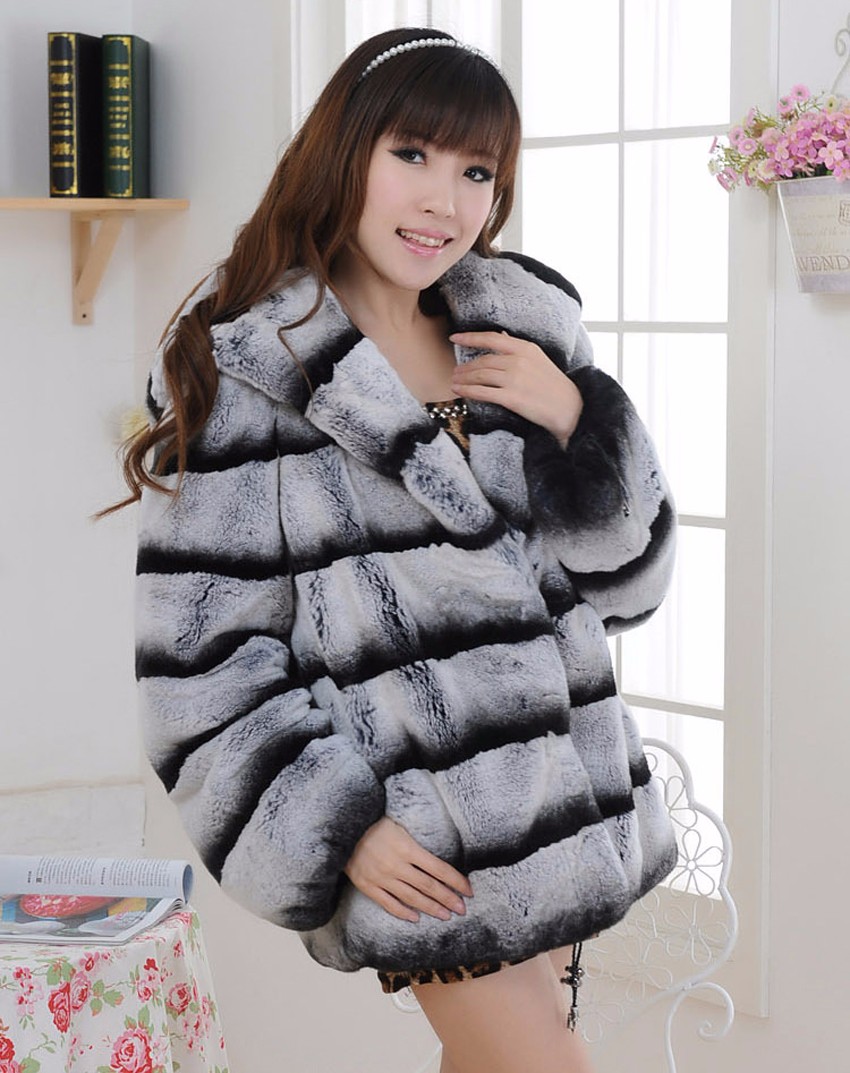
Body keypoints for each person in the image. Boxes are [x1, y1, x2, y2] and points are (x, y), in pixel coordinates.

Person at [122, 27, 678, 1073]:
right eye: (411, 154)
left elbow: (627, 589)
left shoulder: (523, 333)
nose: (444, 202)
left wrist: (577, 421)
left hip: (566, 804)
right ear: (346, 149)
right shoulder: (247, 370)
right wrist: (339, 824)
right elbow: (199, 659)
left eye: (477, 172)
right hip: (424, 834)